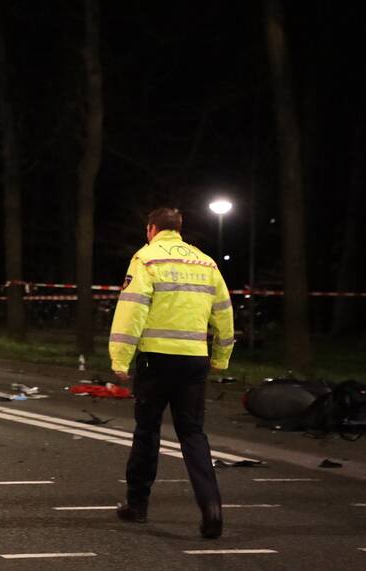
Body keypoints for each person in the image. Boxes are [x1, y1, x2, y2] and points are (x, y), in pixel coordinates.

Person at [108, 207, 235, 539]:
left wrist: (120, 358)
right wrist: (221, 357)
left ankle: (137, 506)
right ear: (180, 229)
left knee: (147, 431)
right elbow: (223, 313)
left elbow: (131, 309)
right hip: (194, 360)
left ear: (151, 229)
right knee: (193, 434)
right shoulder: (205, 262)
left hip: (156, 361)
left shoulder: (146, 259)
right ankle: (212, 507)